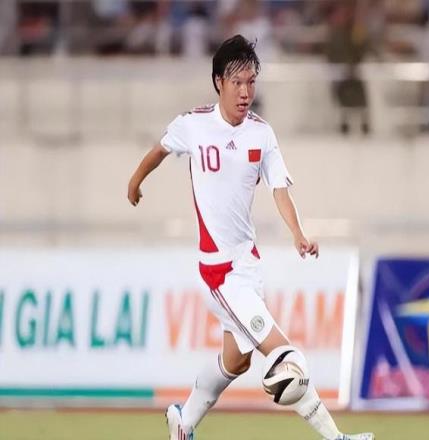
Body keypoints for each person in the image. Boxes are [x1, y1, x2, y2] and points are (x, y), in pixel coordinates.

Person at [128, 35, 374, 440]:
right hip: (220, 272)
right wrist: (135, 182)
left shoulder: (261, 133)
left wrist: (297, 233)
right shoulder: (193, 125)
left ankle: (183, 424)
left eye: (251, 82)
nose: (245, 92)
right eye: (237, 83)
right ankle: (337, 439)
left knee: (237, 361)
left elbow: (280, 189)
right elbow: (160, 149)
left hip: (248, 265)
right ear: (218, 82)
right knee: (284, 356)